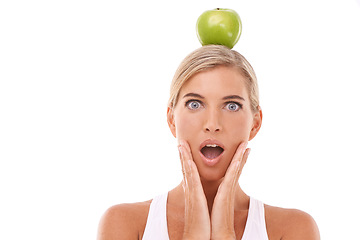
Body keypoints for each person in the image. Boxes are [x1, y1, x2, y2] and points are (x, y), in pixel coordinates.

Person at [97, 45, 320, 240]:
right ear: (171, 119)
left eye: (231, 106)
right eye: (195, 104)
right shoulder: (124, 223)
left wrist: (224, 232)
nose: (212, 124)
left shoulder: (293, 229)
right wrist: (194, 234)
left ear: (255, 123)